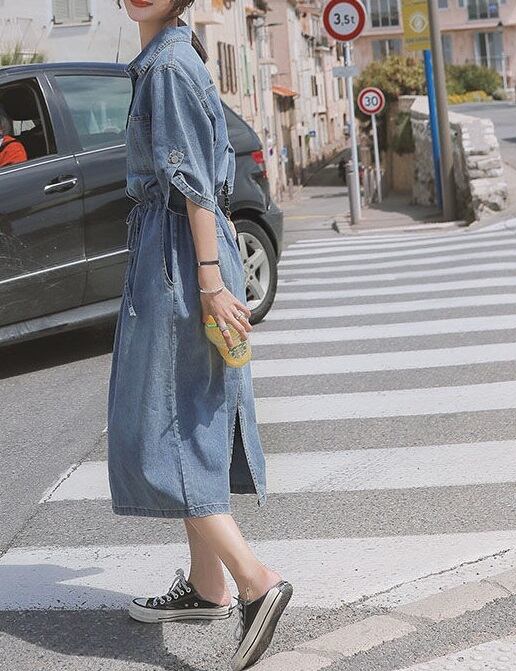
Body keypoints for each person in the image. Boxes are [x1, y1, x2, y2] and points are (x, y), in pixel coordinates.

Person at [107, 3, 292, 670]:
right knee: (186, 414)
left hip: (180, 262)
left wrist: (210, 281)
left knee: (161, 428)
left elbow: (192, 187)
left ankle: (253, 580)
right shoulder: (171, 55)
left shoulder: (169, 67)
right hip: (178, 254)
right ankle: (208, 584)